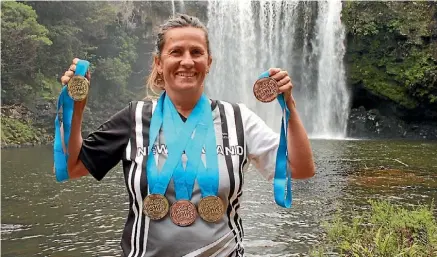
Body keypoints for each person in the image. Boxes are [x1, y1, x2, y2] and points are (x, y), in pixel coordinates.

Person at [63, 14, 315, 257]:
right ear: (158, 63)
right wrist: (76, 108)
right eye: (176, 52)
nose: (187, 61)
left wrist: (289, 105)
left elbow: (300, 168)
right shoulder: (134, 119)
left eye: (196, 52)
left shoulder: (239, 119)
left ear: (209, 62)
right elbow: (73, 166)